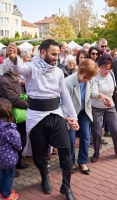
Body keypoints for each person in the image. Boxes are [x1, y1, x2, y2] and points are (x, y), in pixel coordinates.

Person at [6, 39, 79, 200]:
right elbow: (19, 68)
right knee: (39, 154)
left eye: (58, 55)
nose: (56, 57)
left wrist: (73, 117)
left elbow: (65, 96)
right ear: (43, 52)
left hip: (55, 114)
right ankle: (44, 177)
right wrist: (13, 58)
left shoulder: (58, 72)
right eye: (53, 54)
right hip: (36, 117)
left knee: (66, 149)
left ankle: (66, 186)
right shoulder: (32, 67)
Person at [61, 59, 111, 175]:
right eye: (85, 77)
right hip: (70, 113)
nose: (87, 80)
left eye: (89, 78)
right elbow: (61, 103)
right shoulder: (67, 82)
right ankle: (71, 161)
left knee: (85, 136)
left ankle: (82, 161)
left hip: (83, 111)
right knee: (71, 138)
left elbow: (92, 93)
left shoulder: (90, 79)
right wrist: (67, 118)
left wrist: (101, 95)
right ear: (79, 71)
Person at [90, 54, 117, 163]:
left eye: (108, 69)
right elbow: (92, 93)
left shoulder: (112, 75)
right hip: (96, 107)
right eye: (103, 68)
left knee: (115, 130)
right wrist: (102, 97)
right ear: (99, 66)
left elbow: (115, 91)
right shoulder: (94, 76)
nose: (105, 71)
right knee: (97, 132)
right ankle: (96, 153)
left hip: (110, 107)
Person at [0, 59, 29, 178]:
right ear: (10, 68)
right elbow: (13, 99)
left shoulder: (13, 78)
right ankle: (12, 165)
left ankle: (18, 161)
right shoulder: (4, 80)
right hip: (10, 116)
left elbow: (19, 95)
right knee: (13, 142)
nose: (19, 68)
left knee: (21, 138)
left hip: (18, 115)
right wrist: (29, 104)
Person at [0, 98, 21, 200]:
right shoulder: (10, 129)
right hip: (9, 158)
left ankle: (1, 191)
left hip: (1, 158)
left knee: (4, 172)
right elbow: (17, 144)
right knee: (10, 175)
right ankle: (6, 195)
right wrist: (20, 147)